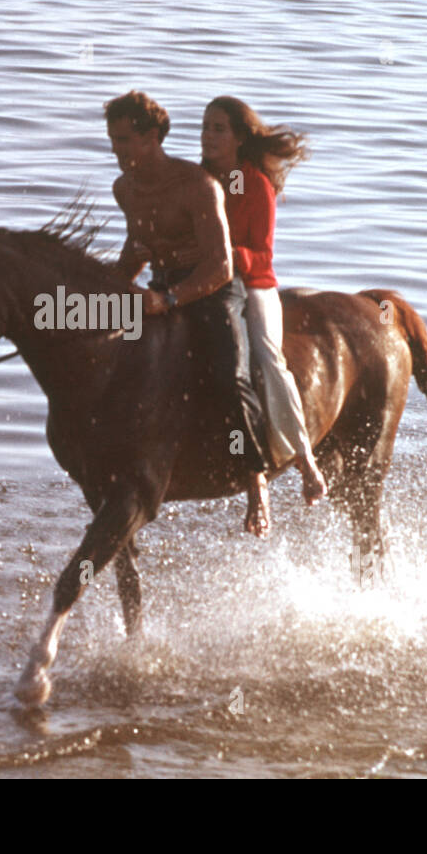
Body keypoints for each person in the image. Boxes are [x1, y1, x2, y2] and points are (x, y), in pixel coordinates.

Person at [104, 90, 275, 536]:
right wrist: (97, 293)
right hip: (161, 287)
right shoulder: (124, 189)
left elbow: (221, 265)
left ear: (153, 138)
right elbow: (135, 252)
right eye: (113, 141)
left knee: (227, 373)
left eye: (125, 141)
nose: (117, 151)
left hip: (211, 289)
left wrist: (170, 300)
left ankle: (255, 476)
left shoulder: (200, 186)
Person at [200, 95, 328, 505]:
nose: (208, 136)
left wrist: (224, 256)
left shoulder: (251, 183)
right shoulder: (196, 180)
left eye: (219, 129)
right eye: (204, 127)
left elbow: (261, 252)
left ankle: (305, 460)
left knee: (268, 357)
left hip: (254, 285)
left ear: (239, 138)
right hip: (204, 285)